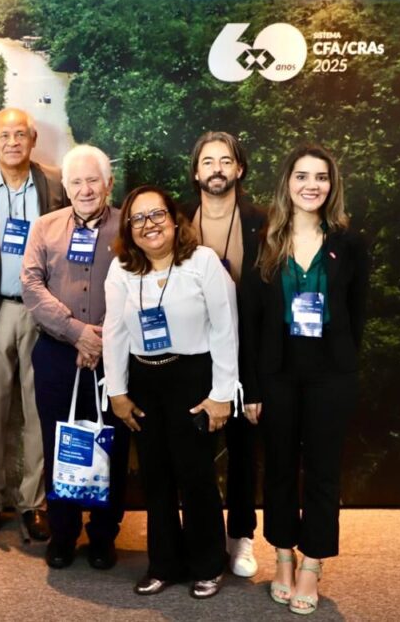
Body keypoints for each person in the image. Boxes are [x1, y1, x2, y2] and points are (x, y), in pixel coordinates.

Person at [242, 145, 368, 615]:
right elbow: (250, 320)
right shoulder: (263, 240)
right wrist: (252, 387)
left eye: (321, 177)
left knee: (322, 470)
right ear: (287, 183)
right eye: (302, 176)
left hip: (330, 375)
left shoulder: (350, 244)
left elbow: (357, 315)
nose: (311, 185)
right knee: (277, 468)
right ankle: (283, 558)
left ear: (332, 185)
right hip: (277, 372)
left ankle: (312, 563)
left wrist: (345, 368)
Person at [102, 185, 238, 599]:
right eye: (138, 218)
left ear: (175, 220)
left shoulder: (203, 262)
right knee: (156, 476)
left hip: (192, 378)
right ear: (129, 228)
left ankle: (207, 564)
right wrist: (117, 392)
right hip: (144, 382)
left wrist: (222, 393)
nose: (149, 225)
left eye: (157, 214)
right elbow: (114, 331)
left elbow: (225, 328)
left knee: (195, 475)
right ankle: (164, 564)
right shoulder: (121, 269)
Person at [0, 108, 67, 542]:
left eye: (20, 134)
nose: (12, 142)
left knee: (40, 411)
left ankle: (33, 503)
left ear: (33, 139)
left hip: (44, 312)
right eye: (4, 135)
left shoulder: (57, 183)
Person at [20, 144, 130, 570]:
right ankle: (63, 534)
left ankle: (103, 535)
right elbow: (31, 287)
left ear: (108, 183)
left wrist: (101, 338)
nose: (85, 189)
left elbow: (143, 283)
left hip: (115, 356)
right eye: (76, 182)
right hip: (57, 354)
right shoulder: (44, 227)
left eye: (93, 180)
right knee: (60, 443)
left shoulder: (129, 226)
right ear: (65, 187)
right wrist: (77, 332)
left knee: (113, 445)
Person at [183, 131, 266, 578]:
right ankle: (202, 536)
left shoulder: (262, 222)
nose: (217, 169)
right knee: (195, 450)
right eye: (208, 161)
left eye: (225, 161)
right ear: (196, 172)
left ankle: (242, 536)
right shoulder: (180, 220)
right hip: (194, 353)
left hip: (246, 347)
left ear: (239, 169)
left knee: (243, 447)